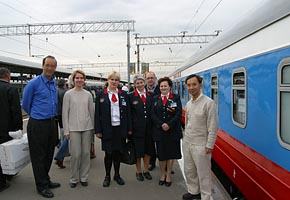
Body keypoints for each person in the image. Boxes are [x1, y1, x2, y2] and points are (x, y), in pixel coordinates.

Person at [22, 55, 60, 198]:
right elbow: (25, 104)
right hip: (38, 124)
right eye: (47, 65)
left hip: (51, 123)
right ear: (43, 66)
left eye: (52, 66)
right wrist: (37, 115)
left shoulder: (53, 84)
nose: (50, 68)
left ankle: (46, 178)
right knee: (38, 156)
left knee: (49, 153)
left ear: (55, 68)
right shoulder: (34, 83)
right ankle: (41, 186)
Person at [182, 74, 218, 200]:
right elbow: (187, 123)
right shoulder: (189, 103)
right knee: (189, 170)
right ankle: (193, 192)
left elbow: (213, 126)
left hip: (201, 145)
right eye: (189, 85)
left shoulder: (209, 103)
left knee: (204, 174)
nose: (191, 87)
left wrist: (210, 145)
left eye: (194, 84)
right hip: (188, 142)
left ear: (200, 85)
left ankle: (206, 196)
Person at [95, 71, 132, 187]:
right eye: (112, 79)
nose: (114, 82)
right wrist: (98, 130)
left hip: (120, 128)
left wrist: (129, 129)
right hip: (107, 129)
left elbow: (128, 113)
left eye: (116, 80)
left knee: (118, 153)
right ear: (108, 80)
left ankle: (117, 174)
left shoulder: (123, 94)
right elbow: (97, 114)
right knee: (109, 153)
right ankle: (107, 176)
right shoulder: (101, 94)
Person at [62, 70, 94, 188]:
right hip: (73, 128)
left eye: (81, 78)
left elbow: (92, 112)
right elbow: (65, 113)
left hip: (87, 127)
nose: (79, 80)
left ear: (84, 80)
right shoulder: (68, 94)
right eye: (77, 78)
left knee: (86, 153)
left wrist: (94, 129)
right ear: (73, 80)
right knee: (75, 154)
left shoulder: (88, 95)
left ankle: (84, 177)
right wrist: (66, 130)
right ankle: (74, 178)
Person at [151, 77, 182, 187]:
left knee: (171, 154)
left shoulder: (176, 98)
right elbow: (152, 114)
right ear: (159, 88)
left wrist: (169, 124)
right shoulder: (155, 99)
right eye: (161, 86)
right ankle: (162, 174)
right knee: (161, 154)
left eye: (165, 86)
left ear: (169, 87)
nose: (163, 88)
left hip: (172, 131)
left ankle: (169, 174)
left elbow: (178, 113)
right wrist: (161, 124)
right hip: (160, 131)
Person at [0, 67, 23, 192]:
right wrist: (18, 127)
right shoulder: (11, 89)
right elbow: (16, 110)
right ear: (8, 77)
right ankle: (5, 178)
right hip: (6, 129)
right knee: (5, 153)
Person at [129, 74, 154, 181]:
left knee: (148, 151)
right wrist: (129, 129)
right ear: (134, 84)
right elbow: (128, 114)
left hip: (149, 129)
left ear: (144, 83)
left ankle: (146, 170)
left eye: (141, 82)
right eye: (137, 83)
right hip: (136, 130)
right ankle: (138, 171)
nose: (139, 85)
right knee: (138, 152)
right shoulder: (130, 96)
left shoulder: (150, 95)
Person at [145, 71, 160, 171]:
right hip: (148, 122)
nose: (150, 80)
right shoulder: (143, 89)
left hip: (159, 121)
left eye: (152, 78)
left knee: (161, 144)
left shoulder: (161, 88)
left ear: (155, 79)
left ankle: (165, 163)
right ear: (146, 80)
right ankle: (152, 162)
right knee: (150, 144)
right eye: (148, 78)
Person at [54, 79, 68, 169]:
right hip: (64, 116)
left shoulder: (55, 91)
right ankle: (60, 157)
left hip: (56, 116)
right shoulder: (65, 93)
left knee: (62, 135)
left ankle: (60, 155)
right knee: (65, 138)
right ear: (64, 85)